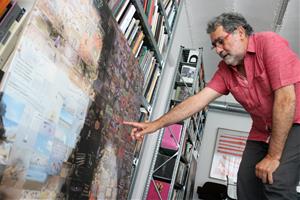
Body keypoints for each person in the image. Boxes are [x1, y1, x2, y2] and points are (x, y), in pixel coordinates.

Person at [124, 12, 300, 200]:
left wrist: (273, 157)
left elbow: (286, 99)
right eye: (214, 46)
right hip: (262, 131)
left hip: (295, 121)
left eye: (221, 41)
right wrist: (155, 124)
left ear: (240, 32)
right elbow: (197, 101)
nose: (218, 49)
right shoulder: (225, 71)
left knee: (277, 183)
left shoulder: (269, 43)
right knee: (245, 186)